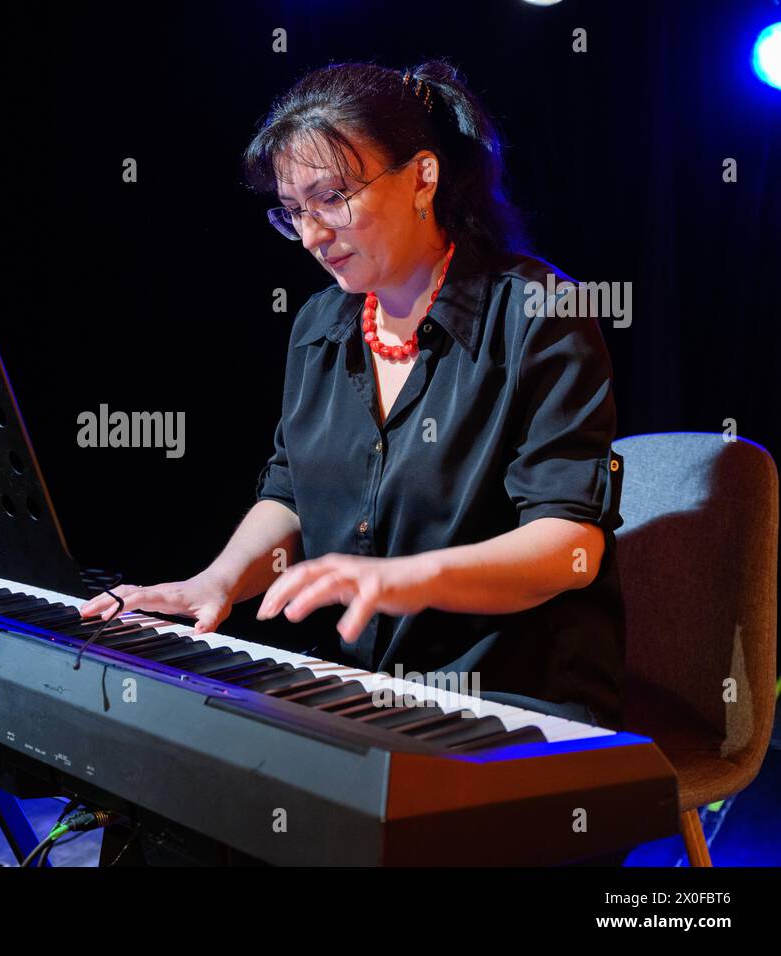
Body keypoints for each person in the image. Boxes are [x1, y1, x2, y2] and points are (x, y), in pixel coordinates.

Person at [78, 60, 626, 734]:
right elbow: (288, 495)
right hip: (359, 687)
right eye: (294, 212)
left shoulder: (540, 313)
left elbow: (569, 546)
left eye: (332, 198)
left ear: (423, 176)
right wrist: (212, 584)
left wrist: (402, 578)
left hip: (515, 696)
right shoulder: (320, 326)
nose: (311, 236)